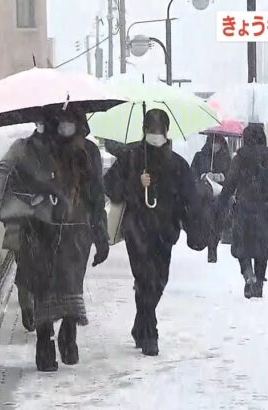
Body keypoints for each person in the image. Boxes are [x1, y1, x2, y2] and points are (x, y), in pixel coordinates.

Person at [0, 107, 109, 372]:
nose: (65, 127)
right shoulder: (33, 148)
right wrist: (1, 196)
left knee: (70, 285)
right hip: (41, 228)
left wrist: (101, 235)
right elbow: (11, 171)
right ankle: (45, 344)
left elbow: (97, 195)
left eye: (71, 122)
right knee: (44, 285)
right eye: (60, 122)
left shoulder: (89, 152)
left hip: (76, 230)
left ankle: (68, 334)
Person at [103, 108, 205, 356]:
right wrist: (136, 183)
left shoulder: (177, 164)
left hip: (165, 232)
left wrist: (195, 228)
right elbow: (110, 186)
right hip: (137, 228)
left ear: (167, 132)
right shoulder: (130, 158)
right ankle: (150, 333)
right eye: (151, 130)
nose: (156, 135)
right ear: (144, 130)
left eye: (159, 131)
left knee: (158, 281)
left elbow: (188, 198)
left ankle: (141, 322)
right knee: (145, 278)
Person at [216, 123, 268, 299]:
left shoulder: (240, 157)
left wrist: (222, 202)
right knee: (262, 248)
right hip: (265, 209)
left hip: (244, 208)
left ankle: (248, 275)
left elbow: (230, 182)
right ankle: (259, 282)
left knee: (242, 246)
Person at [190, 135, 231, 262]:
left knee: (219, 221)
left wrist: (220, 177)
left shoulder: (226, 159)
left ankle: (213, 245)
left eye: (218, 143)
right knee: (208, 219)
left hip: (221, 195)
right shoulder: (199, 156)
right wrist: (203, 176)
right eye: (213, 143)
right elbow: (192, 173)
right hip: (204, 195)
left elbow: (231, 175)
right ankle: (207, 243)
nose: (215, 146)